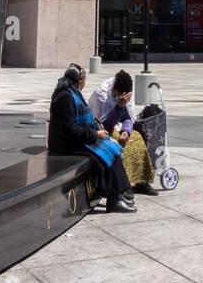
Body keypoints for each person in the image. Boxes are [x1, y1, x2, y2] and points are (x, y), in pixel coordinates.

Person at [47, 64, 136, 213]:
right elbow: (70, 130)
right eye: (84, 80)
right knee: (105, 153)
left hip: (75, 139)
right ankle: (115, 199)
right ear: (80, 82)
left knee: (111, 147)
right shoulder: (65, 97)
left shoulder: (70, 92)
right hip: (67, 144)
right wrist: (95, 134)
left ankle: (119, 194)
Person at [89, 69, 157, 196]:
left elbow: (129, 117)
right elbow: (103, 123)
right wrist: (119, 106)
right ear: (115, 90)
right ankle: (124, 185)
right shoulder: (102, 95)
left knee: (137, 137)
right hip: (102, 131)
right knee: (118, 143)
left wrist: (126, 130)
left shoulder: (127, 95)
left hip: (119, 128)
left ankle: (141, 181)